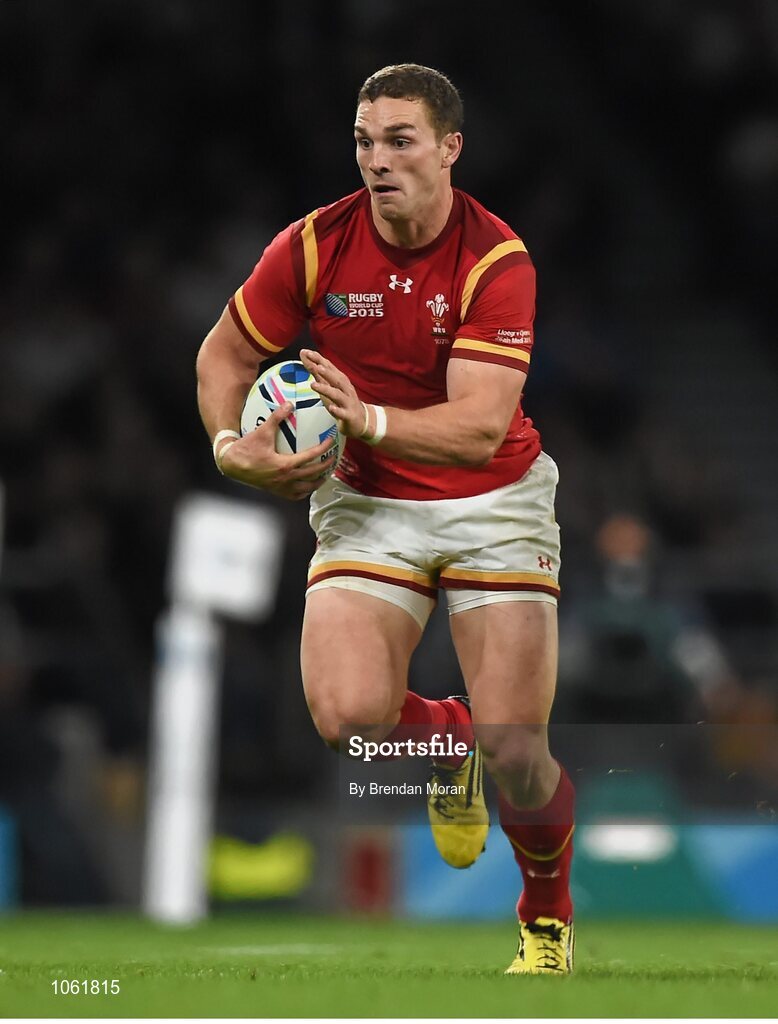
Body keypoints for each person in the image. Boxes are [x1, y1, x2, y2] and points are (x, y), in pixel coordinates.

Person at [196, 64, 575, 975]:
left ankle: (546, 919)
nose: (377, 160)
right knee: (347, 719)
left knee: (518, 749)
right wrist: (226, 446)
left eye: (400, 140)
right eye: (365, 141)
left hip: (492, 498)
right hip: (368, 504)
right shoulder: (315, 247)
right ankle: (446, 743)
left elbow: (479, 425)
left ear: (449, 149)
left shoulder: (496, 258)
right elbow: (223, 353)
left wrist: (361, 417)